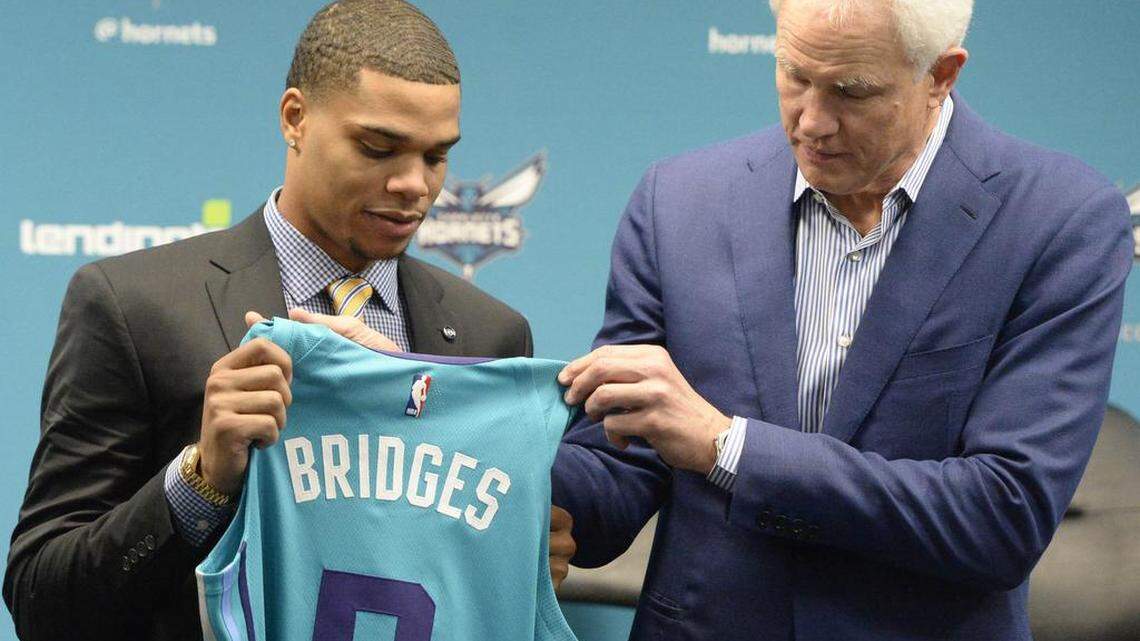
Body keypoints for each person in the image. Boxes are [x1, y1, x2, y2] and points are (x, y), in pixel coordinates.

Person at [551, 0, 1132, 639]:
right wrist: (538, 501)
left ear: (941, 74)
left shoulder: (1058, 221)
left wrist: (728, 447)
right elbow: (623, 457)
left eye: (852, 91)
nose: (812, 122)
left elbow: (1001, 517)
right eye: (794, 74)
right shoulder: (679, 201)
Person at [4, 2, 573, 640]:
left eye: (438, 157)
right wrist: (200, 480)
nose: (415, 184)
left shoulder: (490, 335)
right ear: (295, 119)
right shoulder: (133, 305)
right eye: (379, 148)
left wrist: (522, 563)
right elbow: (42, 601)